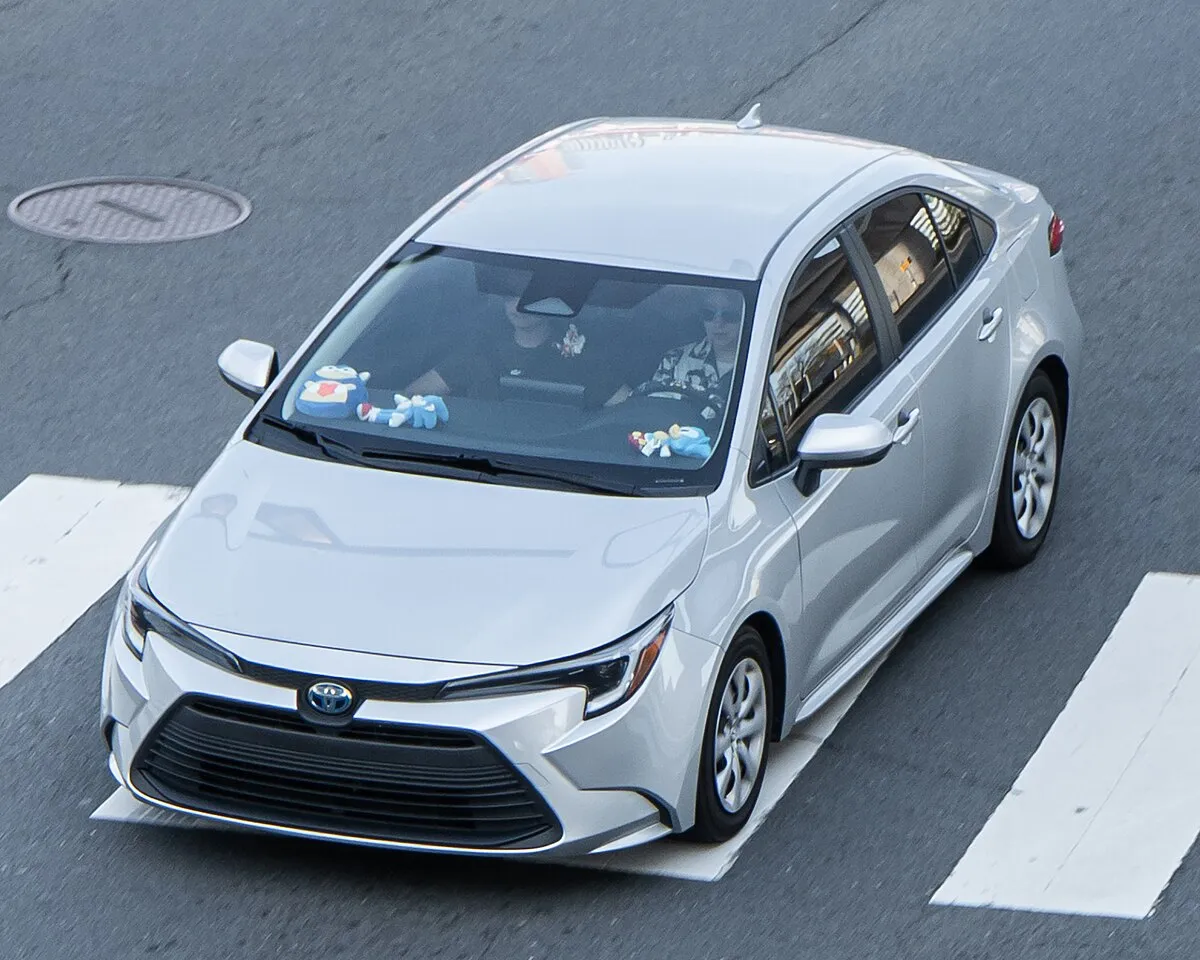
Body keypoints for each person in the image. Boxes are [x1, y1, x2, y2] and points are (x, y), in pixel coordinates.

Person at [404, 295, 632, 407]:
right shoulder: (480, 352)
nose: (519, 305)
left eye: (530, 296)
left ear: (552, 303)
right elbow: (408, 397)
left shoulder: (582, 359)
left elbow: (629, 412)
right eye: (511, 296)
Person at [635, 287, 744, 422]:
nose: (718, 323)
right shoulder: (674, 359)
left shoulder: (759, 365)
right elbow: (654, 412)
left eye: (729, 315)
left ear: (744, 316)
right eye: (708, 314)